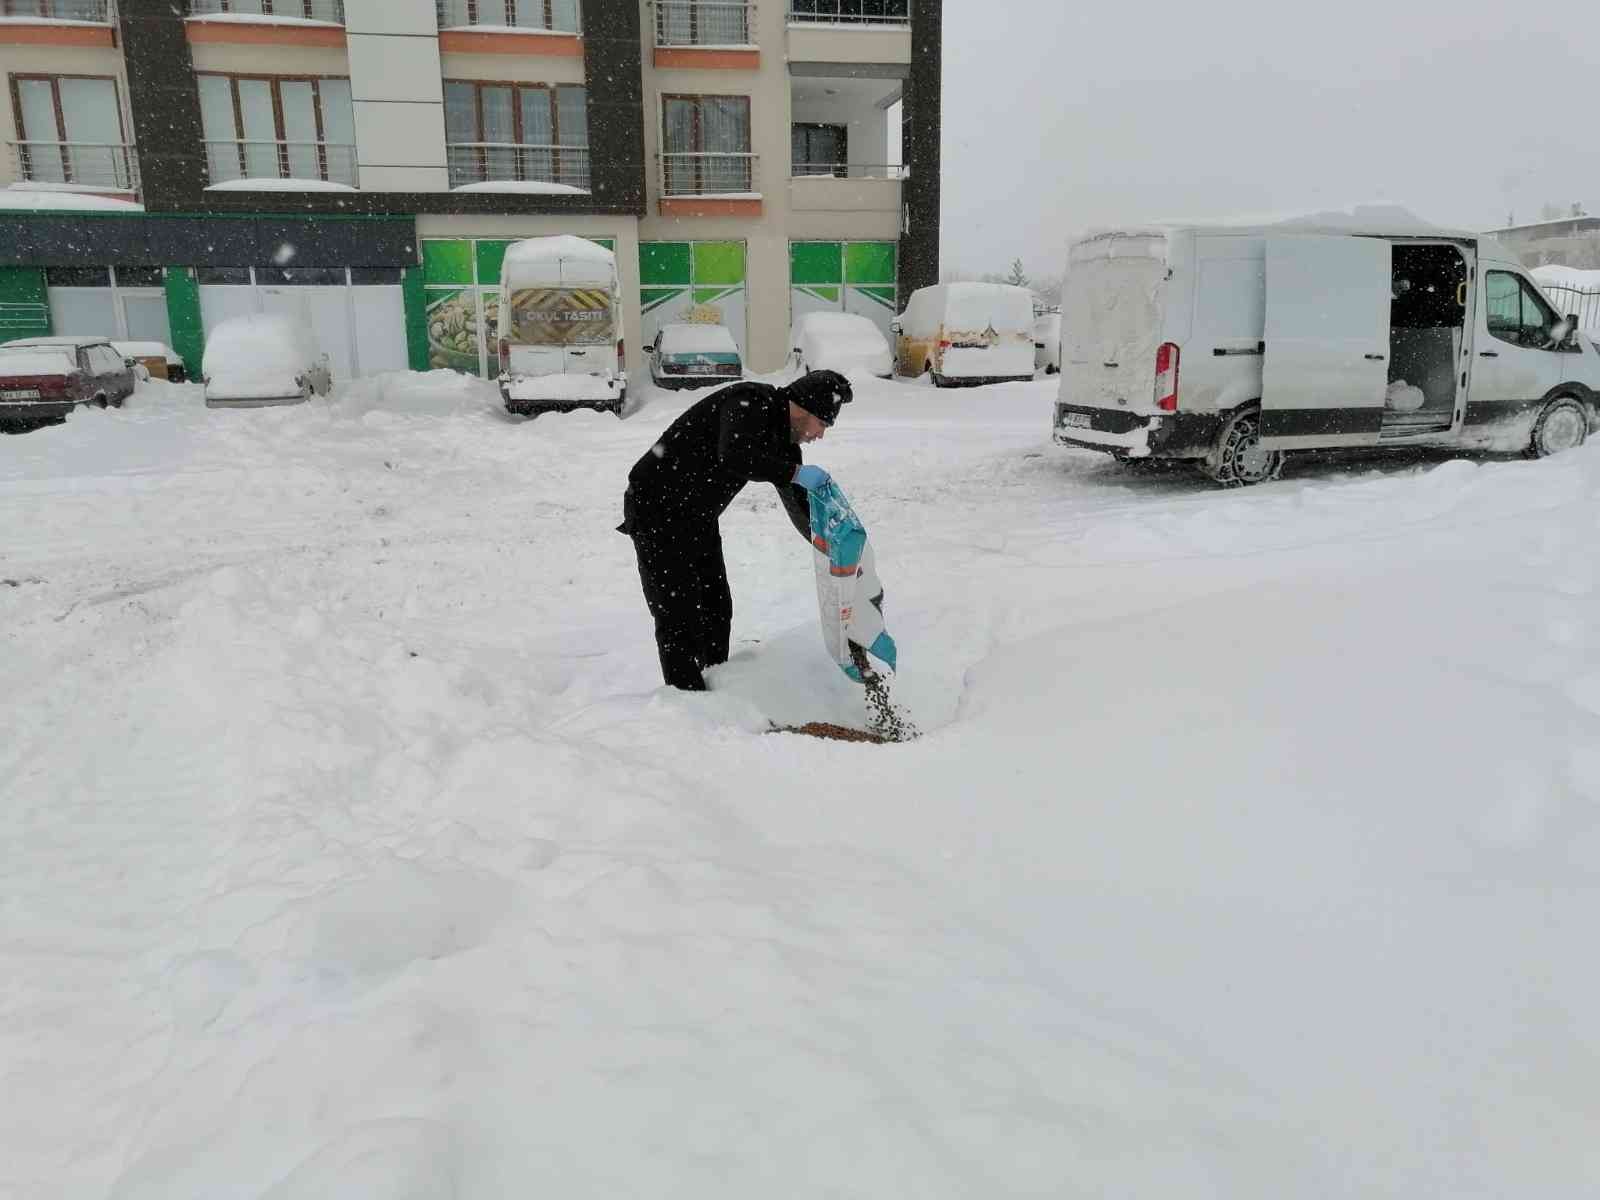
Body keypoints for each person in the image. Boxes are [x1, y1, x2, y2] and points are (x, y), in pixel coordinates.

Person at [618, 368, 853, 691]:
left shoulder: (784, 441)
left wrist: (829, 546)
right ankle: (686, 700)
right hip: (656, 507)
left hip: (697, 515)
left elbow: (800, 506)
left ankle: (720, 685)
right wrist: (794, 473)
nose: (820, 435)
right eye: (823, 424)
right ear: (805, 408)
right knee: (679, 614)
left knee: (715, 606)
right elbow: (736, 456)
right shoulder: (749, 401)